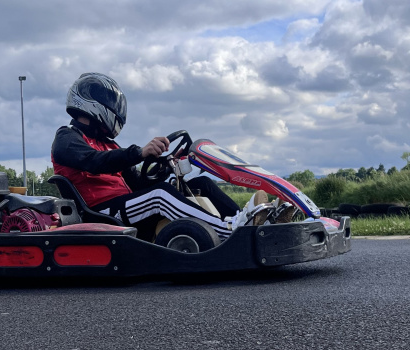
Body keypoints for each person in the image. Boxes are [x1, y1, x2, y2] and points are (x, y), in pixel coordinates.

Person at [50, 72, 273, 241]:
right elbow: (94, 162)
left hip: (126, 205)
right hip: (102, 212)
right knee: (159, 195)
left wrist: (164, 166)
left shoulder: (108, 144)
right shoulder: (67, 137)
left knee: (200, 183)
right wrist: (139, 152)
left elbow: (137, 184)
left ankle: (255, 226)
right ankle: (228, 231)